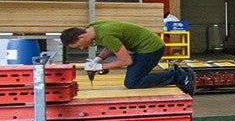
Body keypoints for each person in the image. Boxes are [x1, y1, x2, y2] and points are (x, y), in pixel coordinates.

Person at [62, 21, 193, 94]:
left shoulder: (105, 35)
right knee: (134, 78)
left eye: (78, 45)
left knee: (132, 83)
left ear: (81, 37)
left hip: (151, 48)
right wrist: (99, 59)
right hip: (143, 47)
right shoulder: (93, 28)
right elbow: (112, 45)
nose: (81, 48)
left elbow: (126, 61)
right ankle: (177, 74)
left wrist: (100, 67)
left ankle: (179, 75)